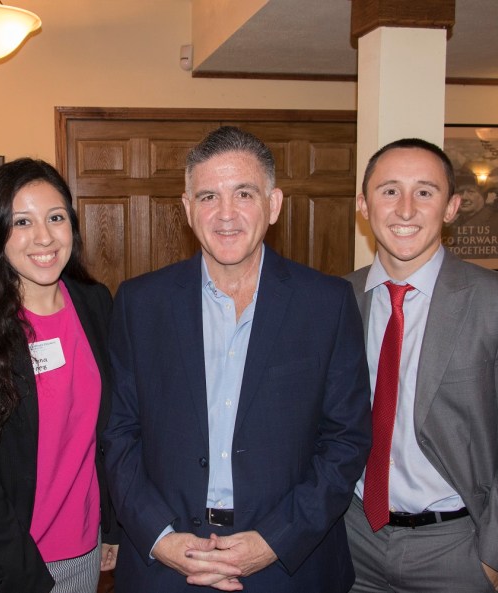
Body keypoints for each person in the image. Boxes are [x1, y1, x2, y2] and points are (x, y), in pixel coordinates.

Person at [102, 126, 373, 592]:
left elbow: (346, 440)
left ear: (274, 204)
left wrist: (275, 540)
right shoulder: (140, 303)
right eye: (208, 196)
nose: (225, 214)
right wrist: (162, 539)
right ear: (187, 210)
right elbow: (118, 434)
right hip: (165, 566)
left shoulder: (326, 303)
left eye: (243, 193)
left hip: (289, 563)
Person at [345, 138, 498, 593]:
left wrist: (495, 559)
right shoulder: (337, 300)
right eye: (389, 191)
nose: (405, 209)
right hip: (352, 541)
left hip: (456, 548)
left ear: (452, 207)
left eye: (425, 192)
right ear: (363, 205)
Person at [0, 158, 119, 593]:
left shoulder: (95, 304)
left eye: (55, 218)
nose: (44, 237)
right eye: (22, 222)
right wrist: (24, 574)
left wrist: (112, 524)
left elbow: (107, 431)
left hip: (82, 551)